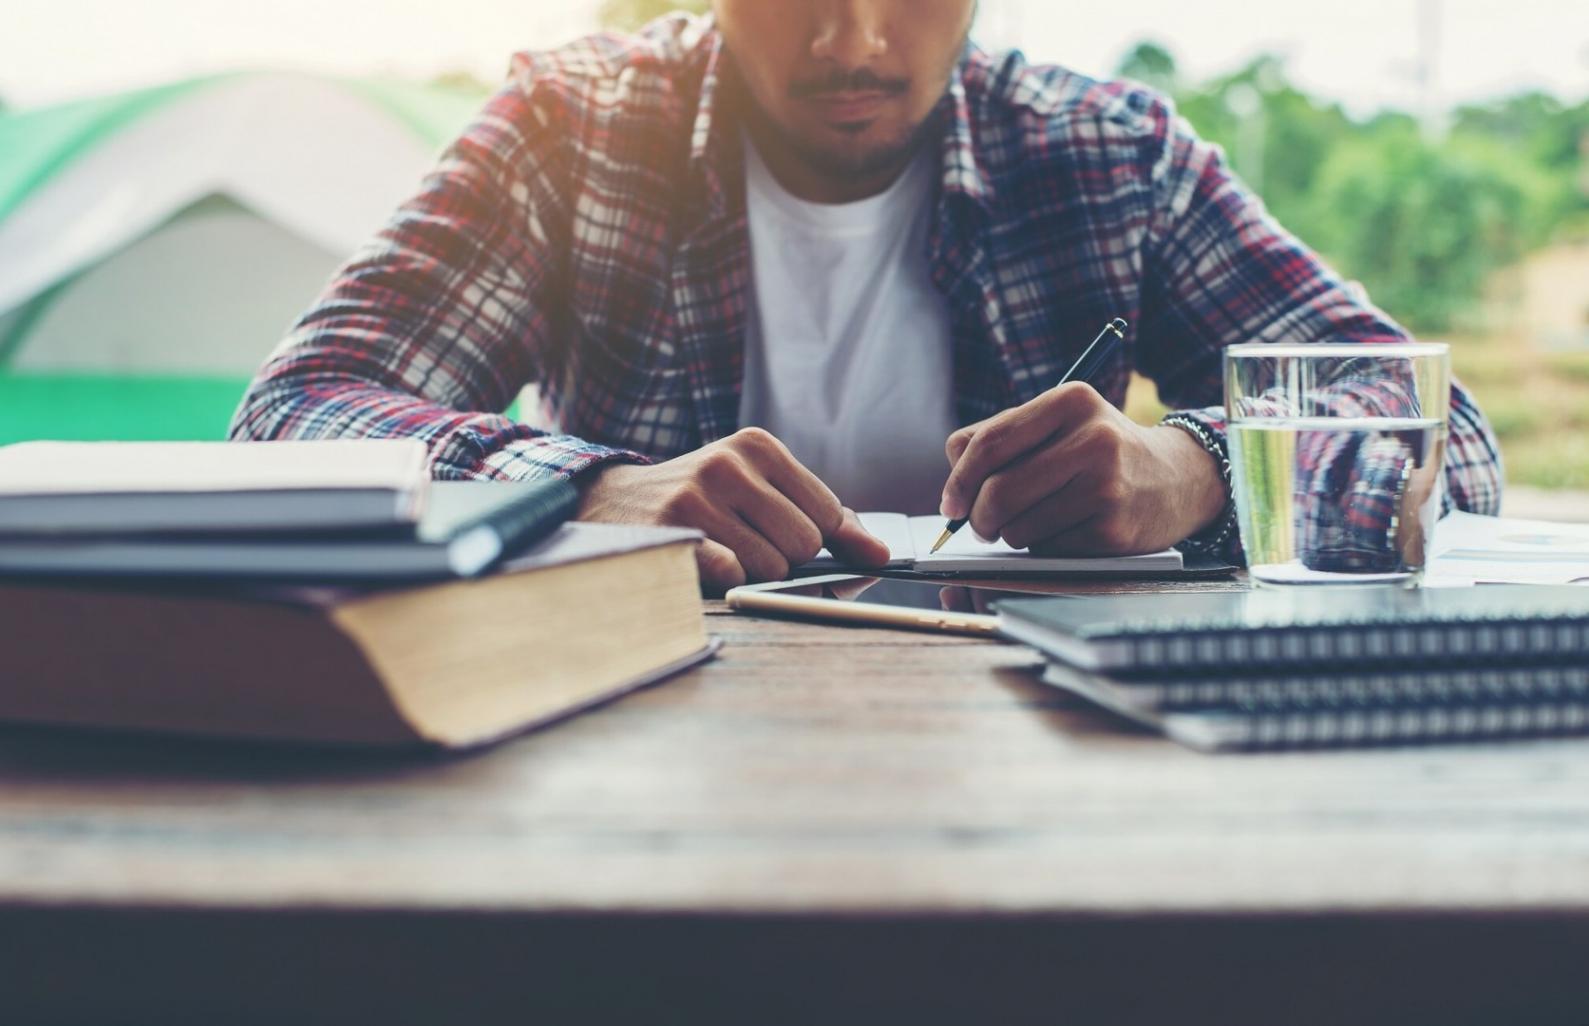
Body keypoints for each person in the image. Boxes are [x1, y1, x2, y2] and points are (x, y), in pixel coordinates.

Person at [230, 1, 1503, 592]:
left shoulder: (1110, 157)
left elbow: (1439, 430)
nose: (854, 41)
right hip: (624, 752)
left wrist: (1193, 473)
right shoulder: (573, 128)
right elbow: (289, 415)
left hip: (1035, 766)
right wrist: (587, 488)